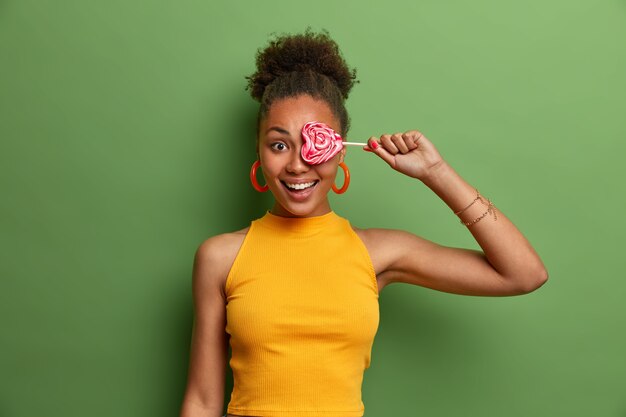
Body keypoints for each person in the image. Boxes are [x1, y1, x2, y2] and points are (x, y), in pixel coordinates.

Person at [179, 29, 548, 417]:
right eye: (278, 144)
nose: (296, 164)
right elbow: (202, 401)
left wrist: (436, 172)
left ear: (339, 152)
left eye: (312, 144)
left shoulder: (378, 252)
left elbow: (523, 274)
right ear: (259, 151)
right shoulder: (220, 256)